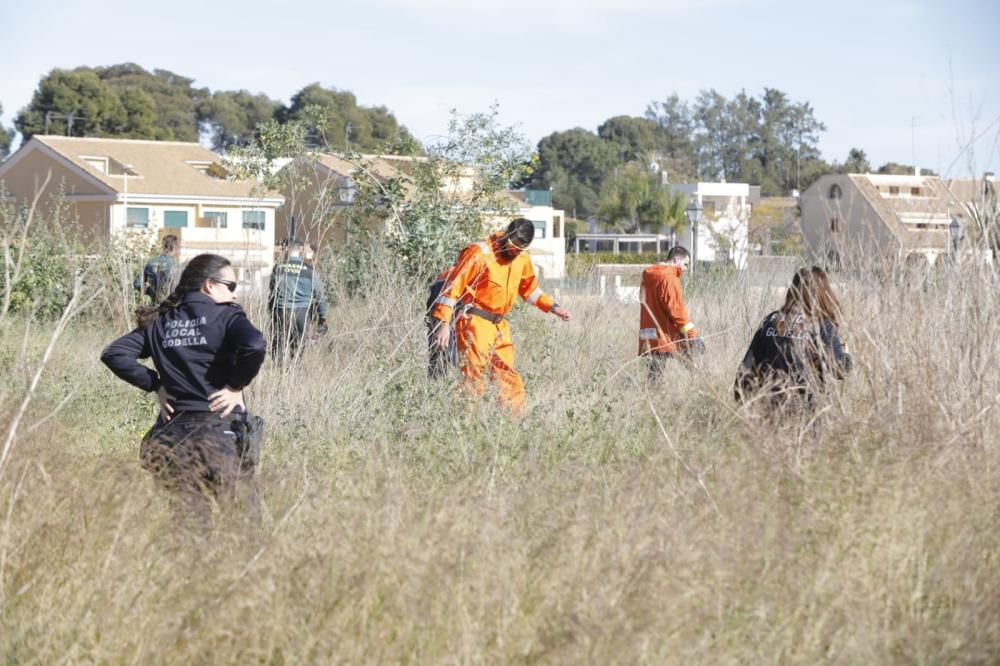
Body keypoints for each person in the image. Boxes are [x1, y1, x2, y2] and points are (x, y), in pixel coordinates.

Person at [101, 254, 266, 519]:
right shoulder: (227, 316)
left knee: (189, 532)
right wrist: (235, 386)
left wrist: (156, 384)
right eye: (231, 286)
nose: (234, 295)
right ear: (209, 285)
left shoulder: (160, 322)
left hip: (173, 439)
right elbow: (255, 345)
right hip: (220, 434)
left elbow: (114, 354)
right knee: (245, 528)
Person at [430, 218, 572, 413]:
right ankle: (463, 424)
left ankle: (509, 427)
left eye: (518, 250)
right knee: (473, 377)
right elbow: (453, 288)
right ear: (505, 234)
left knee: (509, 379)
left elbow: (530, 291)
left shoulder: (521, 259)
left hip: (499, 327)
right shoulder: (480, 253)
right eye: (511, 246)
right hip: (475, 322)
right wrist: (444, 324)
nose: (513, 252)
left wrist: (553, 307)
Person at [734, 266, 852, 412]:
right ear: (824, 293)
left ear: (793, 289)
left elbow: (745, 371)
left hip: (768, 415)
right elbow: (838, 369)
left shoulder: (771, 320)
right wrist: (846, 355)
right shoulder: (822, 323)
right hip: (807, 416)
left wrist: (749, 410)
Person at [638, 245, 705, 381]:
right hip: (666, 336)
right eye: (685, 264)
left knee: (654, 378)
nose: (685, 269)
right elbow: (677, 311)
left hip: (648, 335)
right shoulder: (669, 277)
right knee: (695, 369)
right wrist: (693, 336)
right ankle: (703, 390)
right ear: (676, 259)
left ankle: (651, 400)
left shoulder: (647, 276)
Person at [269, 239, 329, 358]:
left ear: (287, 250)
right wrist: (322, 318)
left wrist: (272, 313)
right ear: (301, 250)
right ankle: (295, 372)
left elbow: (272, 294)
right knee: (297, 350)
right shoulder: (310, 271)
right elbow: (320, 297)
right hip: (301, 314)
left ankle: (279, 373)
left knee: (278, 348)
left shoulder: (277, 268)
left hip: (281, 312)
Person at [426, 265, 459, 379]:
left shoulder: (445, 274)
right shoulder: (464, 273)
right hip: (450, 325)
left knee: (437, 368)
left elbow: (430, 307)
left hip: (436, 324)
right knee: (454, 367)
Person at [135, 234, 181, 303]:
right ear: (175, 247)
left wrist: (151, 291)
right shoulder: (176, 265)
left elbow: (137, 283)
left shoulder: (150, 262)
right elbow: (177, 288)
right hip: (170, 306)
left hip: (154, 306)